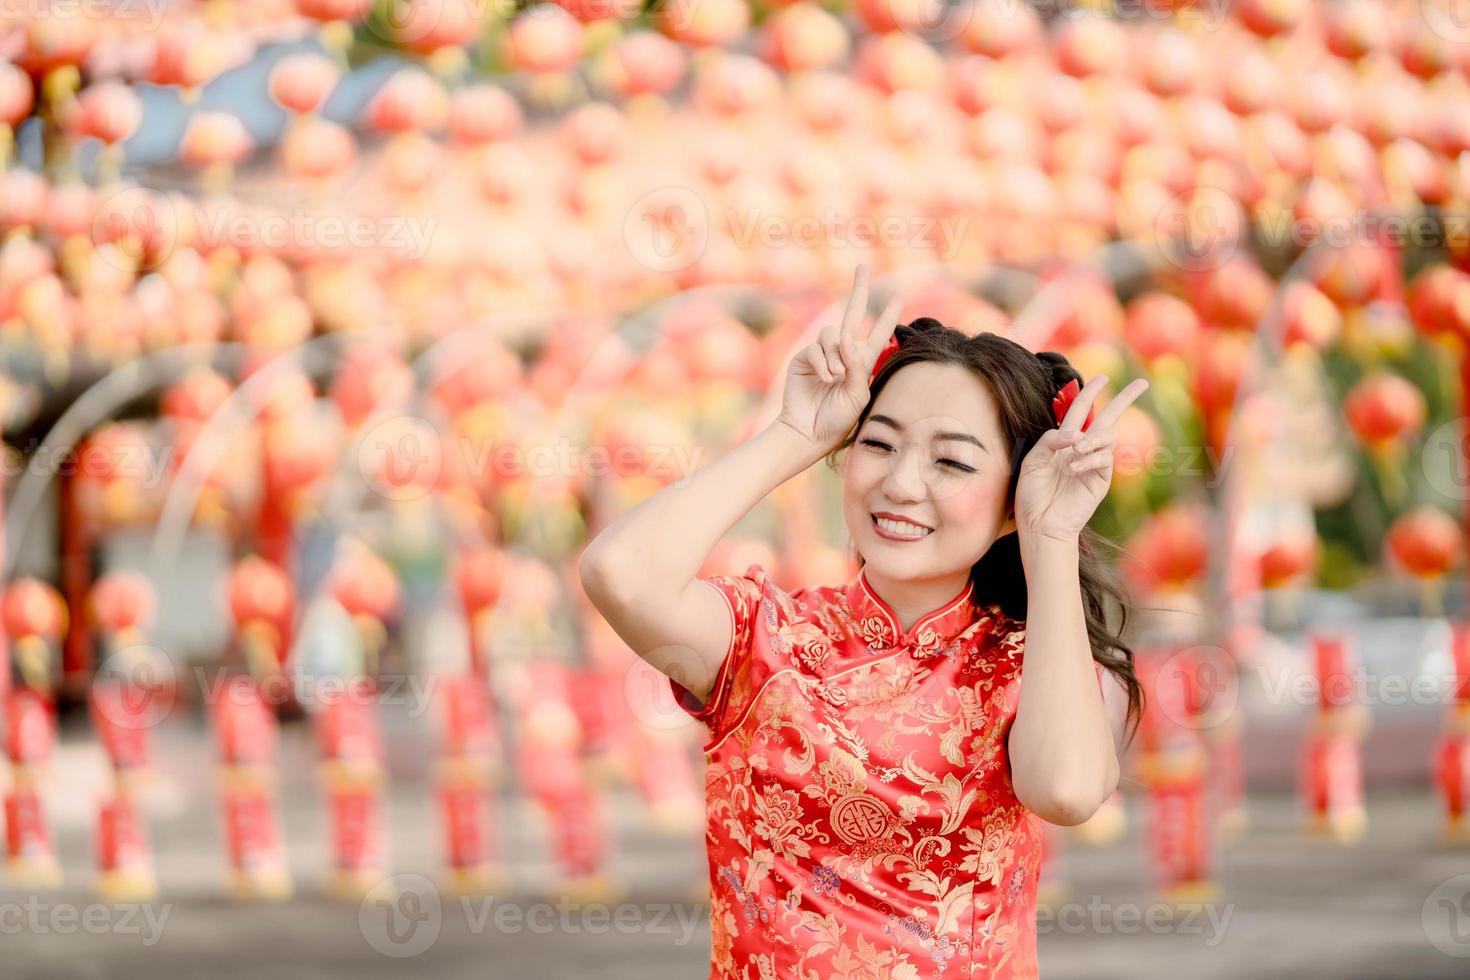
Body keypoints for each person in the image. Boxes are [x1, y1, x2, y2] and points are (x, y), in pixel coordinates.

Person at [580, 264, 1149, 978]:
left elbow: (1066, 791)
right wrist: (793, 432)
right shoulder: (762, 638)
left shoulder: (1029, 665)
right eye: (878, 444)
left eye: (951, 461)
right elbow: (619, 572)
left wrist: (1051, 537)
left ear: (1011, 501)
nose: (902, 483)